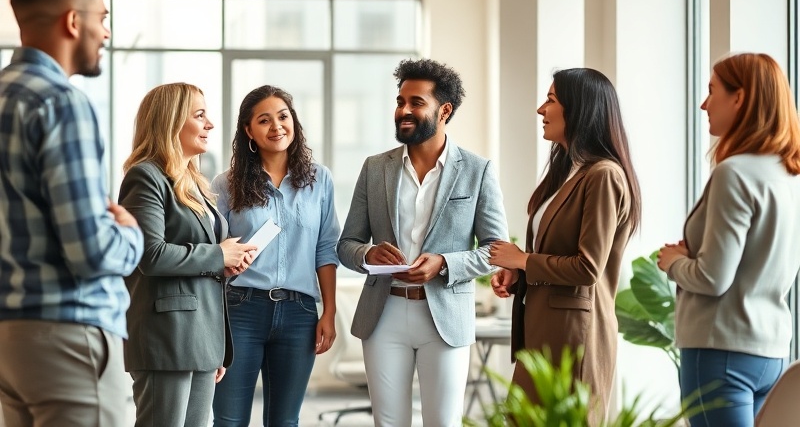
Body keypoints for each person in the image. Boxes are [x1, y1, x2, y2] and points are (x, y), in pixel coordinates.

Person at [0, 0, 144, 427]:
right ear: (72, 20)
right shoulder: (61, 103)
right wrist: (130, 233)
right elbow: (91, 251)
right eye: (101, 19)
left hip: (10, 340)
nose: (105, 33)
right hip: (68, 332)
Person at [337, 58, 509, 427]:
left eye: (416, 102)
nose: (404, 110)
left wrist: (444, 264)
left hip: (444, 315)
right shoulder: (375, 167)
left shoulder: (477, 170)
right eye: (400, 101)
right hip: (383, 314)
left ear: (444, 110)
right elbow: (346, 244)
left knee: (443, 422)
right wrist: (368, 253)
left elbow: (496, 251)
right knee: (388, 423)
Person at [489, 68, 641, 425]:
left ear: (580, 109)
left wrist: (524, 259)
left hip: (575, 335)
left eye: (552, 100)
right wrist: (518, 271)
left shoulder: (603, 175)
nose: (541, 110)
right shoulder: (568, 173)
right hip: (545, 328)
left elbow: (588, 268)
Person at [656, 53, 800, 427]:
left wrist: (673, 262)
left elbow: (712, 277)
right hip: (771, 353)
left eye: (711, 91)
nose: (704, 103)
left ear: (740, 98)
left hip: (719, 353)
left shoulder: (734, 173)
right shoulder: (788, 176)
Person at [118, 83, 257, 427]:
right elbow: (150, 254)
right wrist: (217, 255)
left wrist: (229, 263)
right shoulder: (146, 176)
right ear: (170, 122)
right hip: (167, 337)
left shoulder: (193, 182)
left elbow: (203, 261)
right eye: (199, 115)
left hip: (201, 336)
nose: (210, 124)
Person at [211, 85, 340, 427]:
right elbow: (215, 251)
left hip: (299, 313)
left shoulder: (319, 180)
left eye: (283, 117)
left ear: (293, 122)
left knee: (285, 422)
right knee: (228, 420)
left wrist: (329, 311)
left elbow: (326, 248)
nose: (277, 126)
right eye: (264, 120)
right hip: (241, 309)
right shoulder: (226, 185)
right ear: (248, 131)